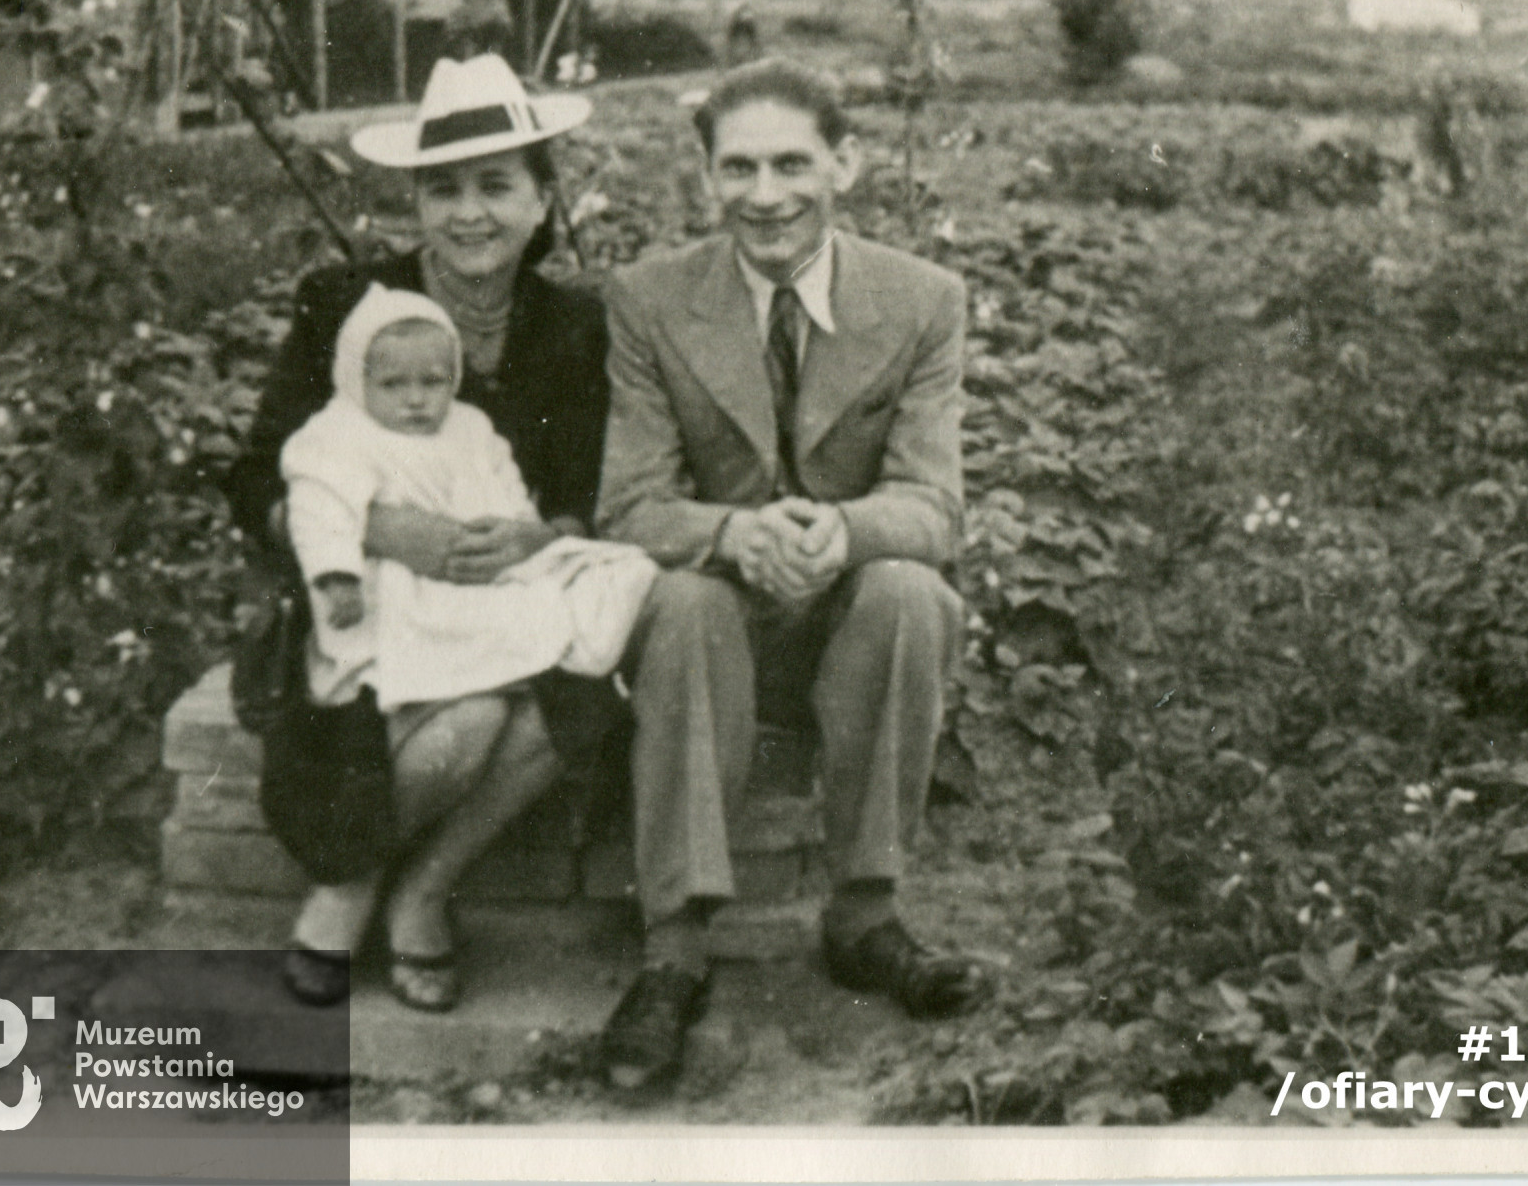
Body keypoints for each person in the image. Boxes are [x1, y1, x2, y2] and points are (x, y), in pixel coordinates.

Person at [594, 57, 984, 1088]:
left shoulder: (923, 300)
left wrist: (842, 531)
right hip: (718, 616)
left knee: (912, 589)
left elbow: (936, 507)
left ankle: (865, 915)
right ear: (706, 178)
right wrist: (732, 535)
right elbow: (628, 505)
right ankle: (673, 953)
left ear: (844, 163)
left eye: (791, 164)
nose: (765, 196)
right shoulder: (647, 301)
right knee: (678, 600)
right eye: (738, 168)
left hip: (842, 615)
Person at [224, 53, 616, 1013]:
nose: (470, 213)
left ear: (540, 198)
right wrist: (382, 530)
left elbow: (590, 494)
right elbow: (253, 476)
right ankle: (350, 887)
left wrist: (530, 541)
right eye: (443, 190)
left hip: (501, 596)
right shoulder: (345, 308)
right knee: (475, 717)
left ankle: (423, 890)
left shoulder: (576, 327)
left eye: (496, 186)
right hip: (367, 604)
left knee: (580, 683)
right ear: (416, 202)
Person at [279, 283, 655, 712]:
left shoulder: (470, 425)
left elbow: (504, 484)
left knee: (601, 578)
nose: (416, 399)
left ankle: (547, 658)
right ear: (355, 379)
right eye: (392, 384)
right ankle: (493, 673)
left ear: (454, 376)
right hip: (400, 583)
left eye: (433, 382)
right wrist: (336, 576)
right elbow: (319, 507)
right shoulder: (340, 433)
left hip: (483, 568)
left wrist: (518, 535)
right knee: (443, 628)